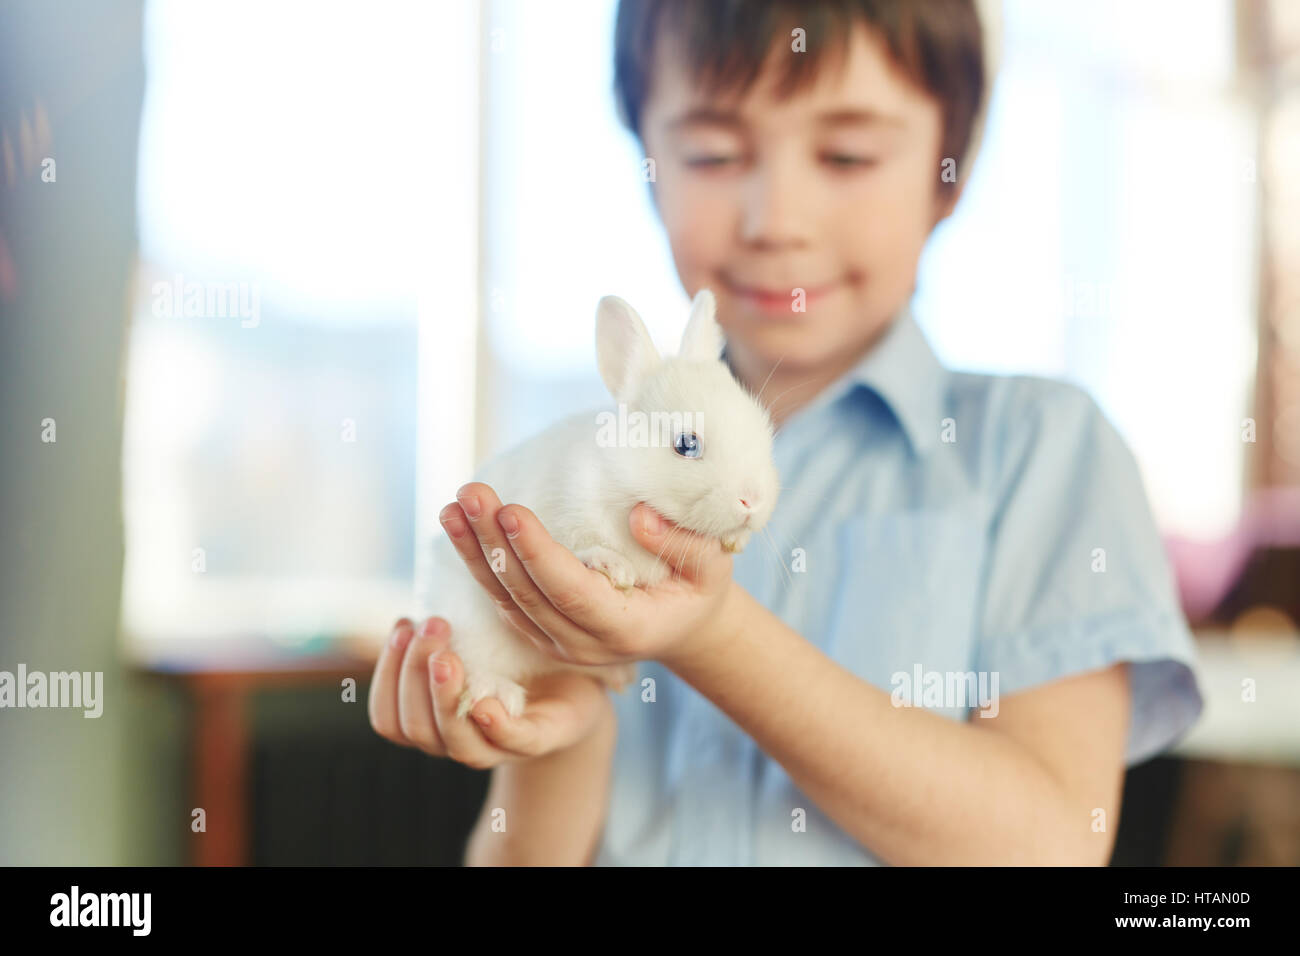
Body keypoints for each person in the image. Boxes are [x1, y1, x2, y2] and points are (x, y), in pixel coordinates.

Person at [368, 0, 1204, 866]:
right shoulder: (589, 475)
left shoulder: (1046, 452)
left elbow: (1053, 846)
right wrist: (556, 725)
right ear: (649, 164)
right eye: (714, 153)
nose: (777, 218)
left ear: (950, 170)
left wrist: (715, 635)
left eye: (847, 154)